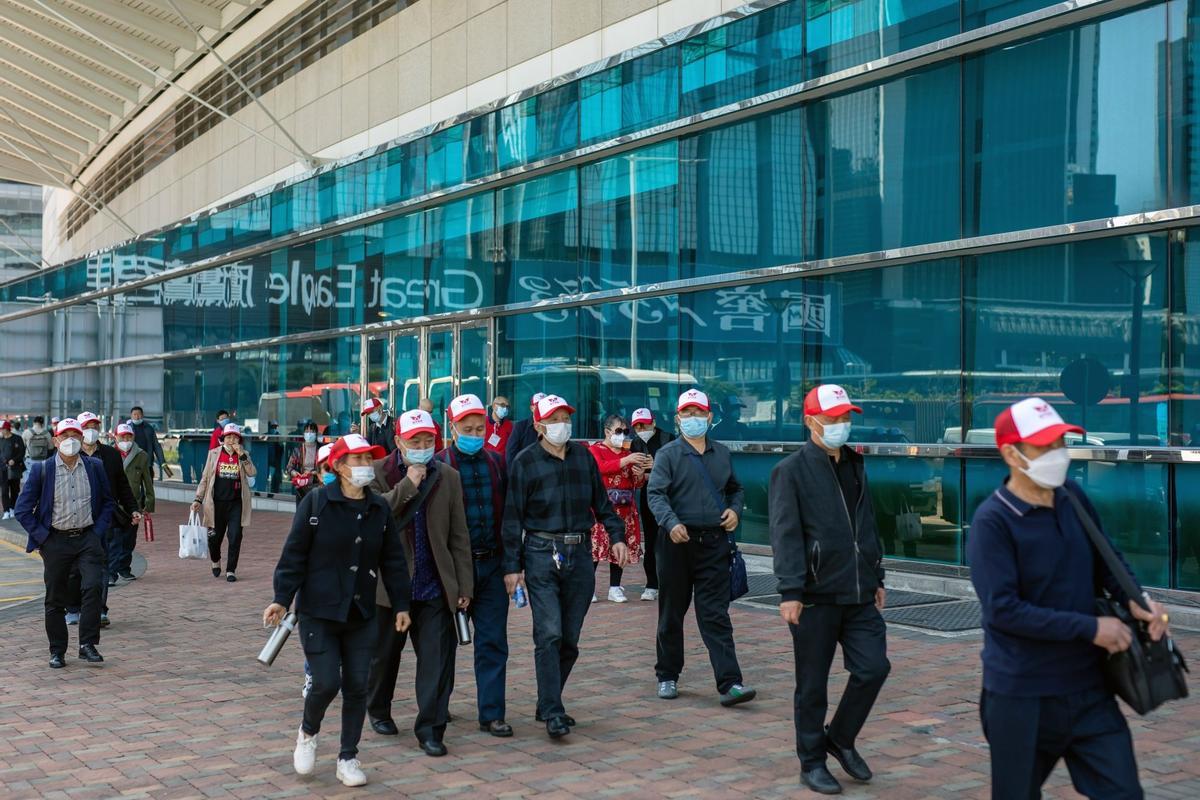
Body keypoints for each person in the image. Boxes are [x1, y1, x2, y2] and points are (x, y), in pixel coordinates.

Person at [969, 397, 1169, 800]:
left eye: (1061, 443)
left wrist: (1137, 598)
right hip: (1022, 695)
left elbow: (1107, 559)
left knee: (1124, 792)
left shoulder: (1072, 497)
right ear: (1011, 453)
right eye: (1045, 446)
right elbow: (1004, 612)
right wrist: (1091, 627)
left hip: (1089, 688)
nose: (1058, 455)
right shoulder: (993, 522)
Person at [265, 434, 413, 788]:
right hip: (319, 611)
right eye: (359, 460)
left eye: (369, 460)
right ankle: (308, 732)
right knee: (327, 681)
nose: (366, 467)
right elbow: (294, 555)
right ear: (339, 466)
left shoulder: (378, 508)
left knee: (358, 685)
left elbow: (393, 560)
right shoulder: (316, 504)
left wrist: (402, 605)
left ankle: (348, 756)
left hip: (362, 612)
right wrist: (281, 598)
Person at [769, 384, 889, 795]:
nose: (842, 425)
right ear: (811, 421)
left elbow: (868, 523)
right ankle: (812, 762)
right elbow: (785, 535)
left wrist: (877, 575)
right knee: (813, 685)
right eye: (834, 417)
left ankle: (839, 738)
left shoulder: (855, 464)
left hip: (858, 593)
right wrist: (790, 591)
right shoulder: (790, 471)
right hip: (815, 597)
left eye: (845, 417)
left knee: (874, 667)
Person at [502, 394, 628, 739]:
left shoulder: (583, 458)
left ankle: (547, 700)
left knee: (569, 639)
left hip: (580, 554)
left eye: (565, 418)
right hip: (541, 552)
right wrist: (512, 567)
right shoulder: (525, 462)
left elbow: (602, 506)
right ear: (540, 425)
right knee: (549, 633)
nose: (562, 424)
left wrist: (617, 537)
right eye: (554, 419)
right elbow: (512, 519)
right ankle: (554, 711)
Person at [366, 411, 472, 757]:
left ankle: (430, 728)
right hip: (391, 588)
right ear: (398, 442)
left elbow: (459, 535)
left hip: (434, 586)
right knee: (385, 657)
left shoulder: (449, 477)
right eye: (415, 441)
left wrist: (463, 586)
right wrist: (408, 485)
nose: (423, 447)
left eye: (429, 440)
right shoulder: (378, 472)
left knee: (436, 661)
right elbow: (373, 516)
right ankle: (378, 707)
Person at [647, 389, 755, 708]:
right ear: (678, 418)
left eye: (699, 413)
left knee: (715, 614)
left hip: (713, 544)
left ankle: (730, 682)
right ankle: (667, 675)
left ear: (709, 417)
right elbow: (656, 495)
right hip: (676, 544)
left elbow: (735, 489)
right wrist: (670, 522)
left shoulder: (721, 453)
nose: (693, 419)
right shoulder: (668, 454)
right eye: (687, 414)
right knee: (671, 612)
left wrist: (735, 510)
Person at [436, 394, 511, 737]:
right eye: (467, 428)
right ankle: (438, 705)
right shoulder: (438, 466)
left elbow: (508, 517)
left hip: (492, 564)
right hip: (450, 570)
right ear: (453, 427)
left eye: (480, 427)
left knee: (493, 641)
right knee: (442, 643)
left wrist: (513, 564)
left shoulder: (497, 463)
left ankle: (492, 713)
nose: (475, 433)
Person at [14, 418, 116, 668]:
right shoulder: (43, 470)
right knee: (55, 598)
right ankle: (57, 650)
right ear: (55, 440)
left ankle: (87, 644)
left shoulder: (95, 467)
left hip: (87, 539)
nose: (70, 439)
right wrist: (43, 538)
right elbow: (22, 509)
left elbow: (108, 502)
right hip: (56, 541)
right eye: (65, 435)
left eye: (75, 435)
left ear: (82, 439)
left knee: (93, 587)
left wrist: (98, 531)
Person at [78, 412, 139, 626]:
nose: (91, 430)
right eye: (87, 426)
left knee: (102, 565)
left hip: (104, 519)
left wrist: (133, 509)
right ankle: (75, 607)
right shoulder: (69, 454)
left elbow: (122, 485)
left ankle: (100, 610)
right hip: (75, 520)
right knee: (77, 568)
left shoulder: (110, 456)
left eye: (95, 425)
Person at [588, 414, 652, 603]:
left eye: (625, 431)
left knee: (620, 548)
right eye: (618, 431)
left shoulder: (628, 453)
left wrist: (639, 474)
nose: (623, 435)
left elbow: (636, 483)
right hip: (601, 508)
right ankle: (589, 588)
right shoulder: (595, 450)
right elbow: (601, 467)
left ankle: (615, 587)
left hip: (625, 508)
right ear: (607, 432)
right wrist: (627, 460)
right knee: (595, 548)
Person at [192, 422, 256, 582]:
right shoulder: (214, 453)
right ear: (223, 438)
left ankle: (231, 570)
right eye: (228, 437)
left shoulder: (243, 454)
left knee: (235, 536)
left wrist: (242, 455)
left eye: (235, 437)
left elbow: (252, 472)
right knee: (214, 538)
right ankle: (215, 560)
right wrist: (198, 499)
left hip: (236, 503)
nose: (231, 440)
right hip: (216, 503)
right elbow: (205, 478)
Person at [630, 407, 671, 601]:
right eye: (637, 426)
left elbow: (678, 470)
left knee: (671, 539)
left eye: (644, 424)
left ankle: (672, 582)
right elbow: (636, 477)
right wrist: (640, 474)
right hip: (648, 497)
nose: (641, 428)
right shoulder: (635, 444)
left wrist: (656, 467)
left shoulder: (669, 440)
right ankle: (651, 584)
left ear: (653, 422)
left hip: (671, 498)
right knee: (652, 540)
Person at [113, 423, 154, 584]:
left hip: (133, 505)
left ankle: (124, 568)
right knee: (114, 539)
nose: (126, 439)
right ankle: (111, 570)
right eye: (122, 436)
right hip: (114, 504)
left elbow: (147, 482)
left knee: (129, 539)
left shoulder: (141, 455)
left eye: (129, 436)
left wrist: (148, 504)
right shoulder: (109, 454)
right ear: (115, 437)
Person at [128, 406, 170, 479]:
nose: (137, 417)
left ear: (142, 415)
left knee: (149, 486)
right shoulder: (127, 429)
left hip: (147, 463)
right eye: (134, 414)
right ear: (131, 416)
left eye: (139, 414)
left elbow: (156, 446)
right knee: (134, 488)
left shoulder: (149, 428)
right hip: (132, 463)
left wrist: (162, 462)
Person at [504, 392, 546, 465]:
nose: (542, 409)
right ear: (532, 408)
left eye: (545, 406)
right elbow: (511, 453)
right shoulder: (520, 427)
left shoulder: (553, 427)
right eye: (539, 406)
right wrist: (514, 474)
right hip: (526, 472)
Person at [286, 422, 322, 504]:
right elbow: (289, 468)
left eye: (312, 431)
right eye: (307, 431)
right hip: (301, 486)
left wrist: (312, 473)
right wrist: (295, 473)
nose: (309, 434)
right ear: (304, 433)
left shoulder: (321, 449)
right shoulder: (298, 450)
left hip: (317, 485)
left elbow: (326, 467)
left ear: (316, 433)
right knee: (302, 512)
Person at [0, 420, 26, 518]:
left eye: (2, 429)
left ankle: (12, 508)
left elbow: (22, 452)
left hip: (15, 468)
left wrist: (14, 460)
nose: (1, 431)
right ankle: (6, 510)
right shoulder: (1, 440)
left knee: (15, 489)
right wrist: (4, 460)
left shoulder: (17, 438)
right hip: (3, 469)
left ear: (7, 429)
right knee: (4, 490)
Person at [265, 420, 285, 494]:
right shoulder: (265, 436)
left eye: (275, 427)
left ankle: (275, 490)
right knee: (266, 478)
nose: (274, 429)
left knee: (276, 478)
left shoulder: (278, 436)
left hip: (276, 462)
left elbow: (281, 449)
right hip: (266, 461)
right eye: (272, 427)